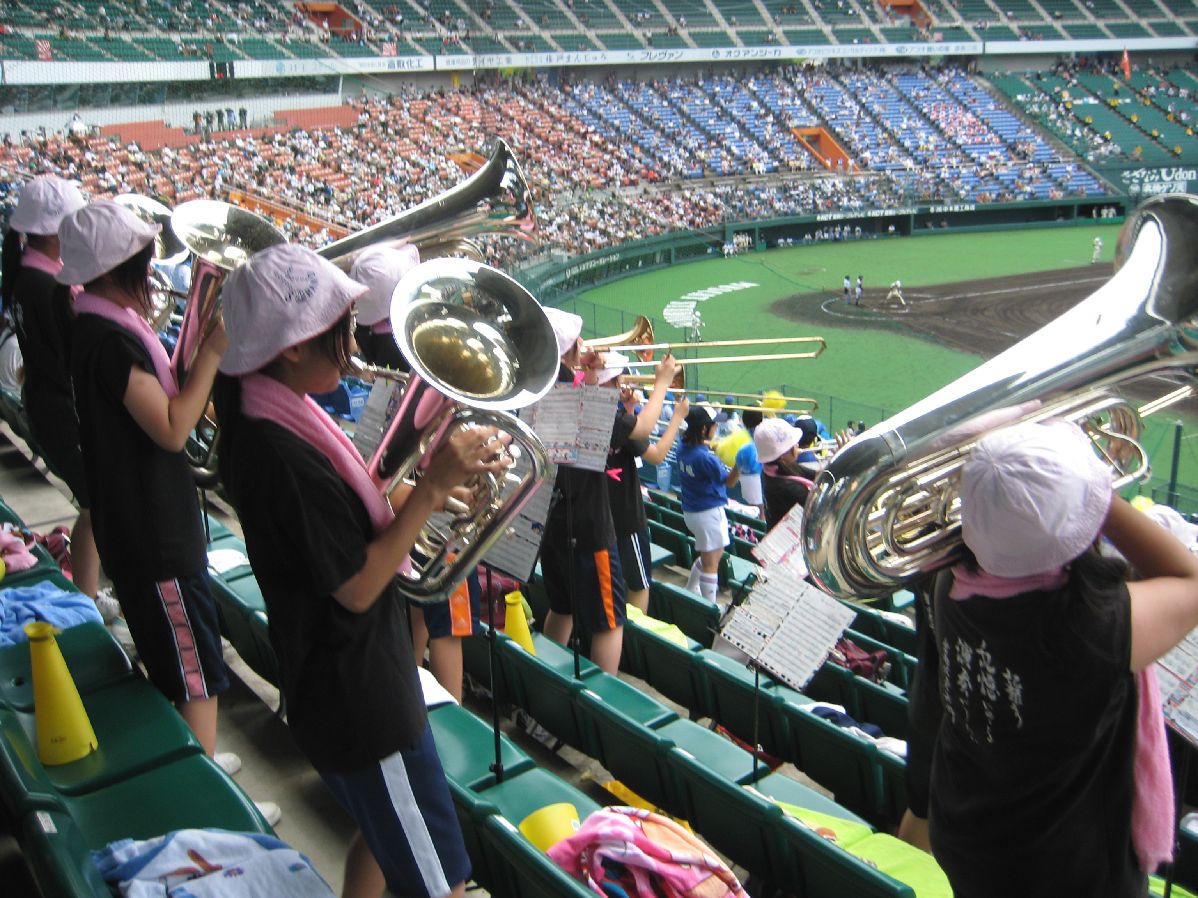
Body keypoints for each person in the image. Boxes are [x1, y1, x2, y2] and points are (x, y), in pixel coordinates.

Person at [214, 243, 485, 898]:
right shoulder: (280, 453)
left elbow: (343, 533)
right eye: (338, 332)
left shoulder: (268, 413)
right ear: (292, 348)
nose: (354, 344)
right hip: (362, 700)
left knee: (379, 836)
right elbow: (357, 587)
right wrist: (427, 492)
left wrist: (424, 489)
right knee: (435, 881)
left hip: (342, 689)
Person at [907, 419, 1198, 897]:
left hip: (972, 840)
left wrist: (1060, 483)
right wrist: (1095, 486)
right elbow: (1189, 579)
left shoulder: (949, 583)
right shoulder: (1089, 628)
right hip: (1064, 874)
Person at [60, 200, 267, 806]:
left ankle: (195, 761)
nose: (153, 274)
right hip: (154, 537)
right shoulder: (109, 340)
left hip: (142, 529)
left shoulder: (96, 324)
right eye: (143, 263)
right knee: (197, 670)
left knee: (181, 665)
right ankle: (204, 799)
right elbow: (175, 428)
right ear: (117, 269)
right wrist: (212, 349)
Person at [2, 176, 100, 599]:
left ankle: (90, 590)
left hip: (46, 403)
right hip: (62, 410)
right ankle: (89, 596)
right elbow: (76, 355)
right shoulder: (51, 288)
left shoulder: (25, 273)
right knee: (96, 507)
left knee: (96, 507)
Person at [539, 307, 627, 673]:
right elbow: (625, 432)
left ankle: (541, 693)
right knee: (609, 623)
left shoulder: (539, 387)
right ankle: (600, 711)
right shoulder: (573, 394)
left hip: (550, 520)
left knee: (562, 608)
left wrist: (588, 378)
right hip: (588, 528)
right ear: (568, 351)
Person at [599, 350, 684, 614]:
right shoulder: (614, 421)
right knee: (639, 585)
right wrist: (677, 418)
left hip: (602, 518)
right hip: (625, 519)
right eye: (617, 379)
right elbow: (657, 455)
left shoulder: (602, 415)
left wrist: (628, 409)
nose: (623, 383)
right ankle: (634, 639)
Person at [677, 406, 738, 601]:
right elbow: (729, 481)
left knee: (707, 555)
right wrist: (740, 465)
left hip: (691, 512)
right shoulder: (704, 458)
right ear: (704, 429)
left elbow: (699, 450)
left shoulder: (682, 446)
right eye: (713, 425)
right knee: (712, 562)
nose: (716, 428)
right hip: (708, 513)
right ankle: (709, 607)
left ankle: (691, 588)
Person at [753, 417, 815, 531]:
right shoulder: (787, 487)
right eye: (794, 443)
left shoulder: (773, 469)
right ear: (783, 453)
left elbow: (816, 476)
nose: (797, 445)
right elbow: (822, 508)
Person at [734, 408, 765, 518]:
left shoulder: (739, 436)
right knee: (759, 511)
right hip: (754, 478)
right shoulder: (761, 436)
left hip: (746, 477)